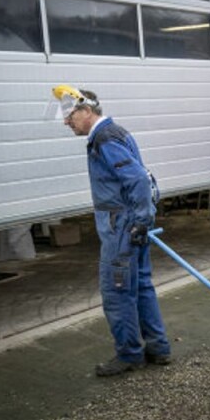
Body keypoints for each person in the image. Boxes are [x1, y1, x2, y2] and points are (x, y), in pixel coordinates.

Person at [52, 85, 171, 376]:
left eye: (70, 116)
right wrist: (143, 220)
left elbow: (139, 182)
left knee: (117, 291)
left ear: (87, 111)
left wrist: (141, 220)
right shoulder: (115, 132)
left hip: (122, 226)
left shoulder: (104, 138)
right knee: (140, 284)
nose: (67, 122)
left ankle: (129, 354)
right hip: (130, 222)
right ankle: (158, 348)